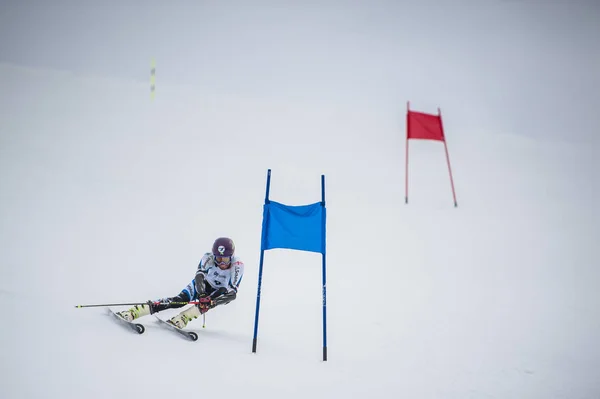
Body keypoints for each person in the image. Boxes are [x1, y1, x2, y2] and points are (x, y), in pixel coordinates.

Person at [116, 237, 244, 329]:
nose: (221, 263)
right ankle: (135, 311)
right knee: (178, 301)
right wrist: (202, 293)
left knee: (211, 300)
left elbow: (232, 293)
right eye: (218, 258)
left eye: (225, 259)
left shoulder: (237, 265)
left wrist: (213, 301)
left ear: (231, 256)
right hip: (202, 285)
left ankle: (182, 319)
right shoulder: (208, 257)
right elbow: (199, 275)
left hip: (218, 291)